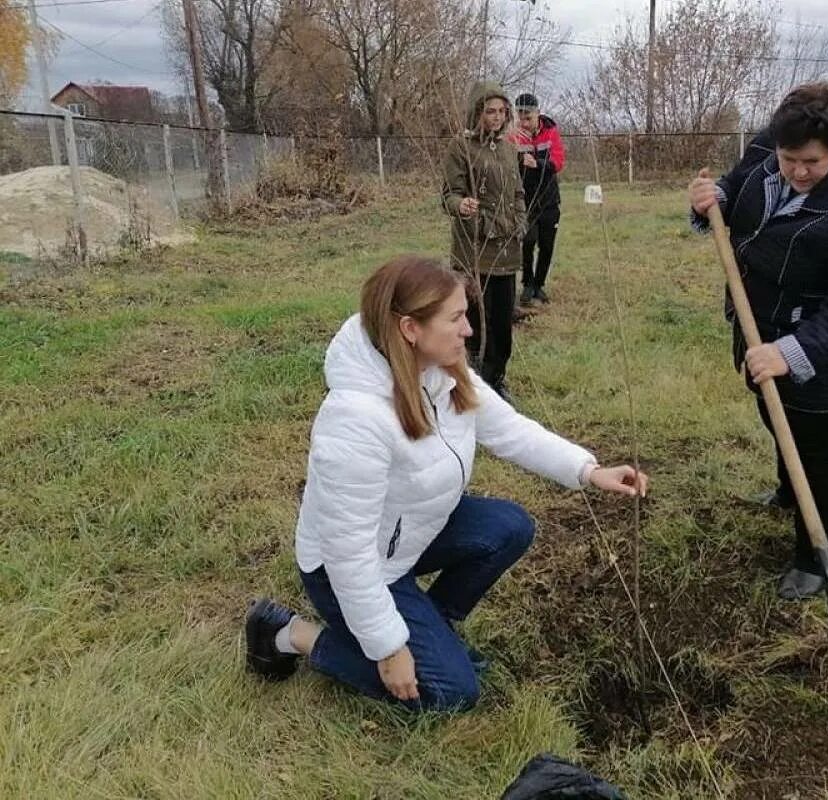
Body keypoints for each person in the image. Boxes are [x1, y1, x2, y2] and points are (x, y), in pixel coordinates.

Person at [245, 256, 648, 712]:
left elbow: (510, 430)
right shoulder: (354, 421)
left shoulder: (440, 373)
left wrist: (589, 471)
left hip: (406, 537)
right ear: (410, 329)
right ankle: (292, 633)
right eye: (456, 318)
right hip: (351, 570)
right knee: (451, 694)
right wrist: (389, 648)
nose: (469, 330)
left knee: (510, 527)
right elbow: (348, 553)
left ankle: (430, 627)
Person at [688, 84, 828, 599]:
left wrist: (788, 352)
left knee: (820, 453)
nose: (798, 172)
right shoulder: (770, 146)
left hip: (822, 345)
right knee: (773, 411)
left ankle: (816, 558)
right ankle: (788, 490)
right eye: (789, 160)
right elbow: (736, 190)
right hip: (760, 320)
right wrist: (710, 201)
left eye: (812, 162)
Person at [442, 80, 526, 401]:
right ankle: (472, 385)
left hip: (507, 248)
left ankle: (497, 381)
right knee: (476, 322)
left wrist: (519, 220)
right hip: (474, 249)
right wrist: (463, 207)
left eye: (502, 111)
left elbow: (518, 191)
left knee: (503, 323)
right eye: (490, 111)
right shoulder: (460, 148)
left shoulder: (508, 148)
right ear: (477, 112)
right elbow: (449, 195)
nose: (497, 117)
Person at [509, 93, 565, 306]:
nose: (524, 122)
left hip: (549, 198)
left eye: (528, 117)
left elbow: (558, 161)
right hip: (525, 200)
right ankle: (528, 283)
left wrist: (539, 164)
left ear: (537, 114)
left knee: (547, 244)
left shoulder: (551, 132)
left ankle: (539, 285)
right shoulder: (512, 136)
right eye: (520, 117)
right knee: (528, 240)